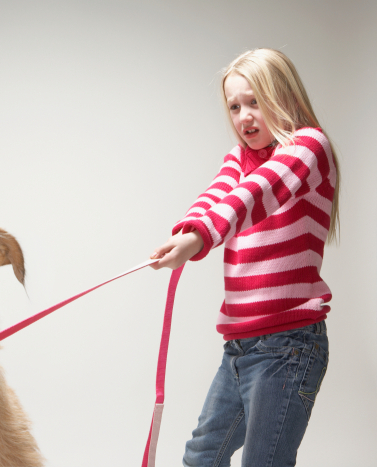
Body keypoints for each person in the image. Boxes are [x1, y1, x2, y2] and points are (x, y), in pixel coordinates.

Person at [149, 48, 339, 466]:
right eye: (234, 107)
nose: (244, 117)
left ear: (284, 98)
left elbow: (253, 196)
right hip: (239, 347)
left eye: (255, 102)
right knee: (201, 456)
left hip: (289, 346)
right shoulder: (239, 159)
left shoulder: (310, 147)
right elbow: (217, 197)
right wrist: (187, 232)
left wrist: (200, 239)